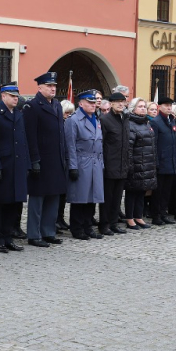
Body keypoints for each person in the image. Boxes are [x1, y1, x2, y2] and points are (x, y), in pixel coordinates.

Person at [0, 82, 29, 253]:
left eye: (17, 96)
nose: (16, 99)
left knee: (13, 204)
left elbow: (23, 141)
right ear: (3, 96)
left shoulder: (18, 114)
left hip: (17, 166)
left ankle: (8, 237)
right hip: (2, 166)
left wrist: (27, 164)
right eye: (12, 96)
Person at [25, 72, 67, 247]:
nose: (53, 88)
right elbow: (30, 135)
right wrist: (34, 159)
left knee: (53, 197)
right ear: (40, 87)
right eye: (49, 86)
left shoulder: (57, 105)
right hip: (41, 159)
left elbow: (60, 134)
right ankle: (34, 235)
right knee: (37, 199)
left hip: (56, 159)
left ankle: (48, 231)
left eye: (54, 86)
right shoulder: (33, 106)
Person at [64, 90, 104, 239]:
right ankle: (77, 228)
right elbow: (71, 146)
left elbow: (100, 144)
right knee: (80, 198)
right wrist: (73, 166)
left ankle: (88, 226)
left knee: (93, 198)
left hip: (96, 162)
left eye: (94, 103)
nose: (93, 105)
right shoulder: (73, 120)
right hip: (82, 161)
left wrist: (102, 164)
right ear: (80, 103)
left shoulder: (96, 119)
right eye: (90, 102)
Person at [98, 92, 130, 235]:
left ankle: (114, 222)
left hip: (122, 165)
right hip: (109, 165)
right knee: (107, 198)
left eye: (122, 102)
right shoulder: (105, 120)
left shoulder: (125, 119)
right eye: (117, 102)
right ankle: (104, 225)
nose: (120, 104)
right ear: (110, 104)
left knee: (117, 198)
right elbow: (101, 144)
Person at [125, 98, 156, 229]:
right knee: (132, 192)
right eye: (140, 106)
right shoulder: (130, 124)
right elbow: (129, 148)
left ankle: (139, 216)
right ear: (133, 109)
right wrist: (131, 166)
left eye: (144, 106)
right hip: (136, 164)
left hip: (146, 163)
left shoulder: (146, 123)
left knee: (141, 192)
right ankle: (129, 218)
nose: (143, 108)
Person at [149, 97, 176, 225]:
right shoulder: (156, 122)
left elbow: (174, 143)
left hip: (170, 161)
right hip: (161, 161)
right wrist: (156, 162)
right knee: (158, 191)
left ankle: (163, 213)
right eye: (166, 105)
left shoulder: (171, 121)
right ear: (159, 106)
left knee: (166, 191)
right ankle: (156, 215)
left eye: (170, 105)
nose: (169, 108)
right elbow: (153, 144)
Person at [56, 99, 75, 231]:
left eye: (70, 113)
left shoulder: (68, 124)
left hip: (66, 161)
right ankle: (56, 219)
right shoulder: (59, 124)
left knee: (63, 194)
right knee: (58, 195)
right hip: (59, 162)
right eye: (66, 113)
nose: (68, 115)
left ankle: (61, 218)